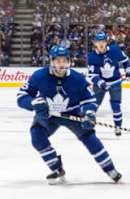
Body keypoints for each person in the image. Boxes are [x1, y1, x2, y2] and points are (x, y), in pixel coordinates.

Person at [16, 45, 122, 184]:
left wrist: (88, 113)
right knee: (37, 135)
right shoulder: (39, 76)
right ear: (51, 61)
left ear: (69, 61)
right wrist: (33, 103)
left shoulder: (77, 78)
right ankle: (56, 168)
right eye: (57, 61)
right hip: (49, 114)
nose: (61, 64)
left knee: (89, 137)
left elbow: (88, 99)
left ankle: (110, 169)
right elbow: (21, 96)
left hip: (73, 113)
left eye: (64, 60)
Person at [88, 31, 130, 136]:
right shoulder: (92, 57)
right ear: (95, 43)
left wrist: (129, 71)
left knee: (116, 105)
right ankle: (88, 126)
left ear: (106, 42)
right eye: (98, 41)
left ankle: (118, 127)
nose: (101, 44)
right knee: (94, 105)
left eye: (103, 41)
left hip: (115, 82)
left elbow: (125, 60)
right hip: (101, 84)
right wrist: (100, 82)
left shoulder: (115, 50)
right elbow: (93, 75)